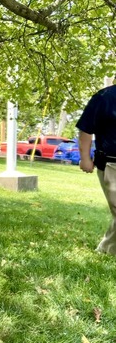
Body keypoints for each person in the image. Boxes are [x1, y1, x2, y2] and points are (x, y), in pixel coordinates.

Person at [77, 82, 116, 254]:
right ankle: (106, 250)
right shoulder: (104, 97)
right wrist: (85, 158)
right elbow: (86, 130)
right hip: (111, 164)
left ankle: (106, 250)